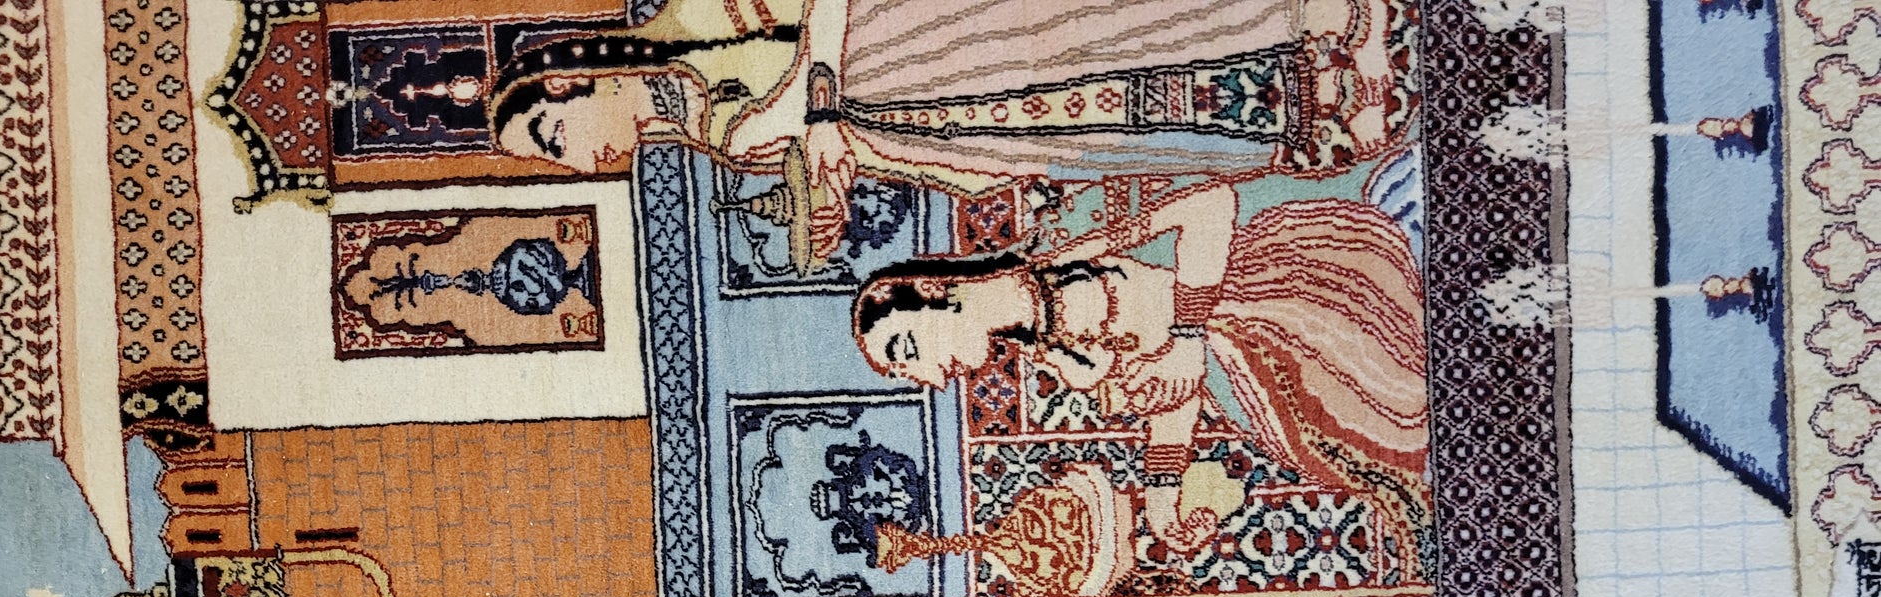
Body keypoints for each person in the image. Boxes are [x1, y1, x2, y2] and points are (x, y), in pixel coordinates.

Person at [850, 178, 1431, 588]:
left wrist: (1188, 334)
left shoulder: (1061, 242)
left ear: (931, 290)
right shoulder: (1044, 351)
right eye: (909, 374)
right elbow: (1176, 390)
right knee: (1344, 450)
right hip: (1245, 369)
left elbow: (1209, 204)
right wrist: (1161, 499)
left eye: (910, 350)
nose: (932, 377)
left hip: (1283, 290)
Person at [488, 0, 1417, 254]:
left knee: (1115, 29)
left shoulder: (694, 17)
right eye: (564, 166)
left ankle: (1323, 21)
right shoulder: (715, 142)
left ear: (569, 82)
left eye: (557, 139)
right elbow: (843, 155)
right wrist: (834, 193)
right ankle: (1315, 109)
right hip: (944, 125)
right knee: (1101, 126)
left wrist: (821, 98)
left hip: (934, 31)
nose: (586, 160)